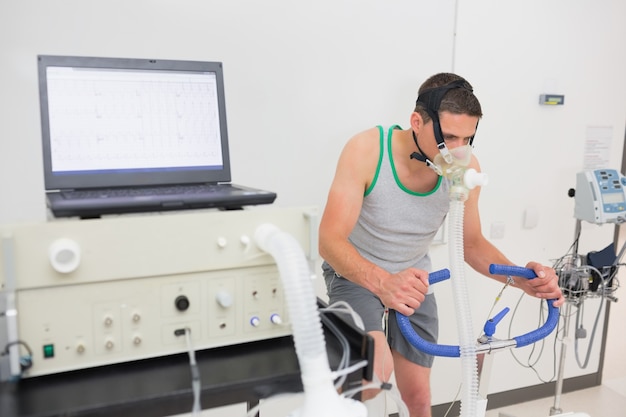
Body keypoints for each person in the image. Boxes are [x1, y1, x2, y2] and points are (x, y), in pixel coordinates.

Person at [318, 72, 565, 417]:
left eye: (467, 138)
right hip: (357, 273)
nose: (458, 151)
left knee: (418, 399)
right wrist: (384, 283)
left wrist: (524, 280)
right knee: (371, 376)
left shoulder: (465, 168)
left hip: (416, 279)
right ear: (416, 122)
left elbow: (472, 244)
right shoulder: (367, 150)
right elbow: (330, 241)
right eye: (448, 137)